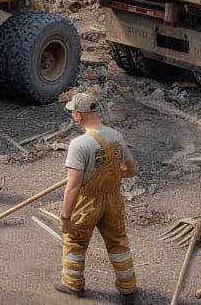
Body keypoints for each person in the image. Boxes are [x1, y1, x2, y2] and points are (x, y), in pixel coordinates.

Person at [56, 92, 138, 303]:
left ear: (79, 116)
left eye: (73, 113)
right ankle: (128, 287)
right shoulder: (116, 136)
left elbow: (73, 187)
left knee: (75, 241)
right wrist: (110, 178)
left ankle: (72, 284)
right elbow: (131, 170)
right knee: (118, 243)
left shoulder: (79, 145)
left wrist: (66, 216)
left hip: (88, 203)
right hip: (113, 200)